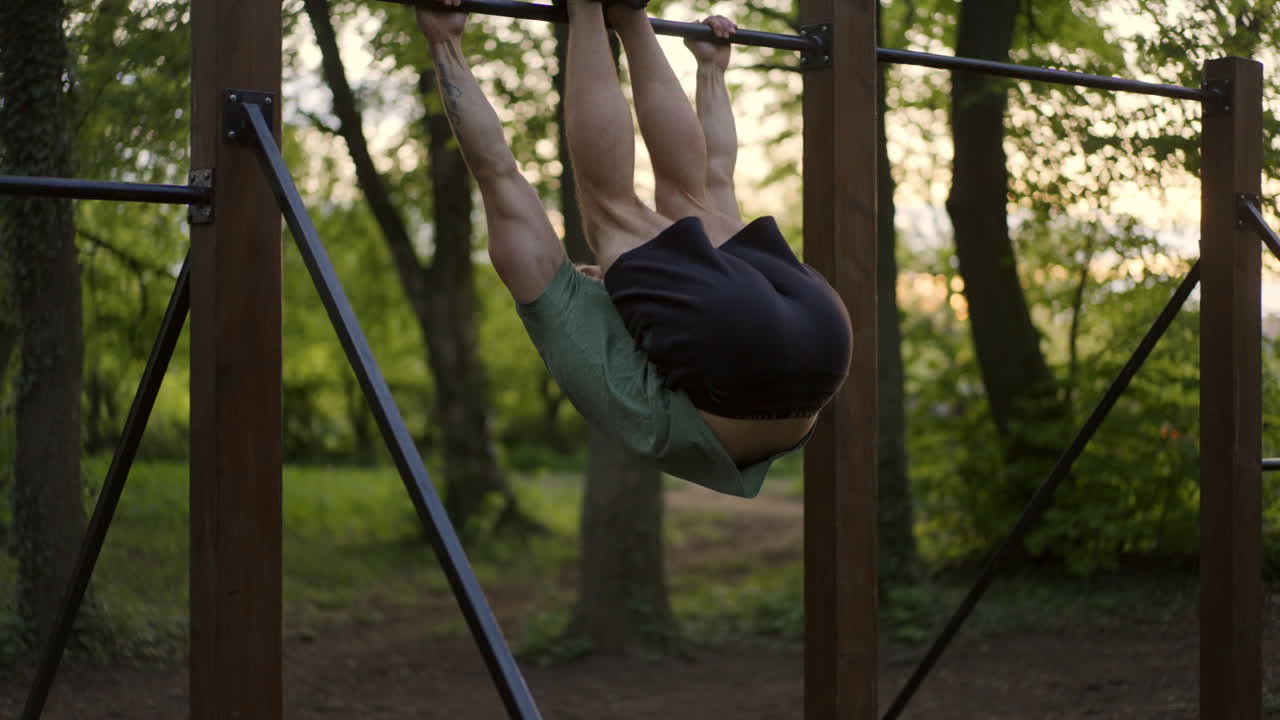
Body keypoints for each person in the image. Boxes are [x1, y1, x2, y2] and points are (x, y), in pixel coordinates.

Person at [415, 1, 851, 497]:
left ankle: (630, 17)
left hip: (825, 347)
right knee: (617, 208)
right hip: (770, 347)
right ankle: (617, 13)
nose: (598, 271)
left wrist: (712, 72)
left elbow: (719, 171)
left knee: (684, 202)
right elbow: (496, 172)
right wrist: (445, 44)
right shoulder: (559, 307)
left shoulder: (615, 326)